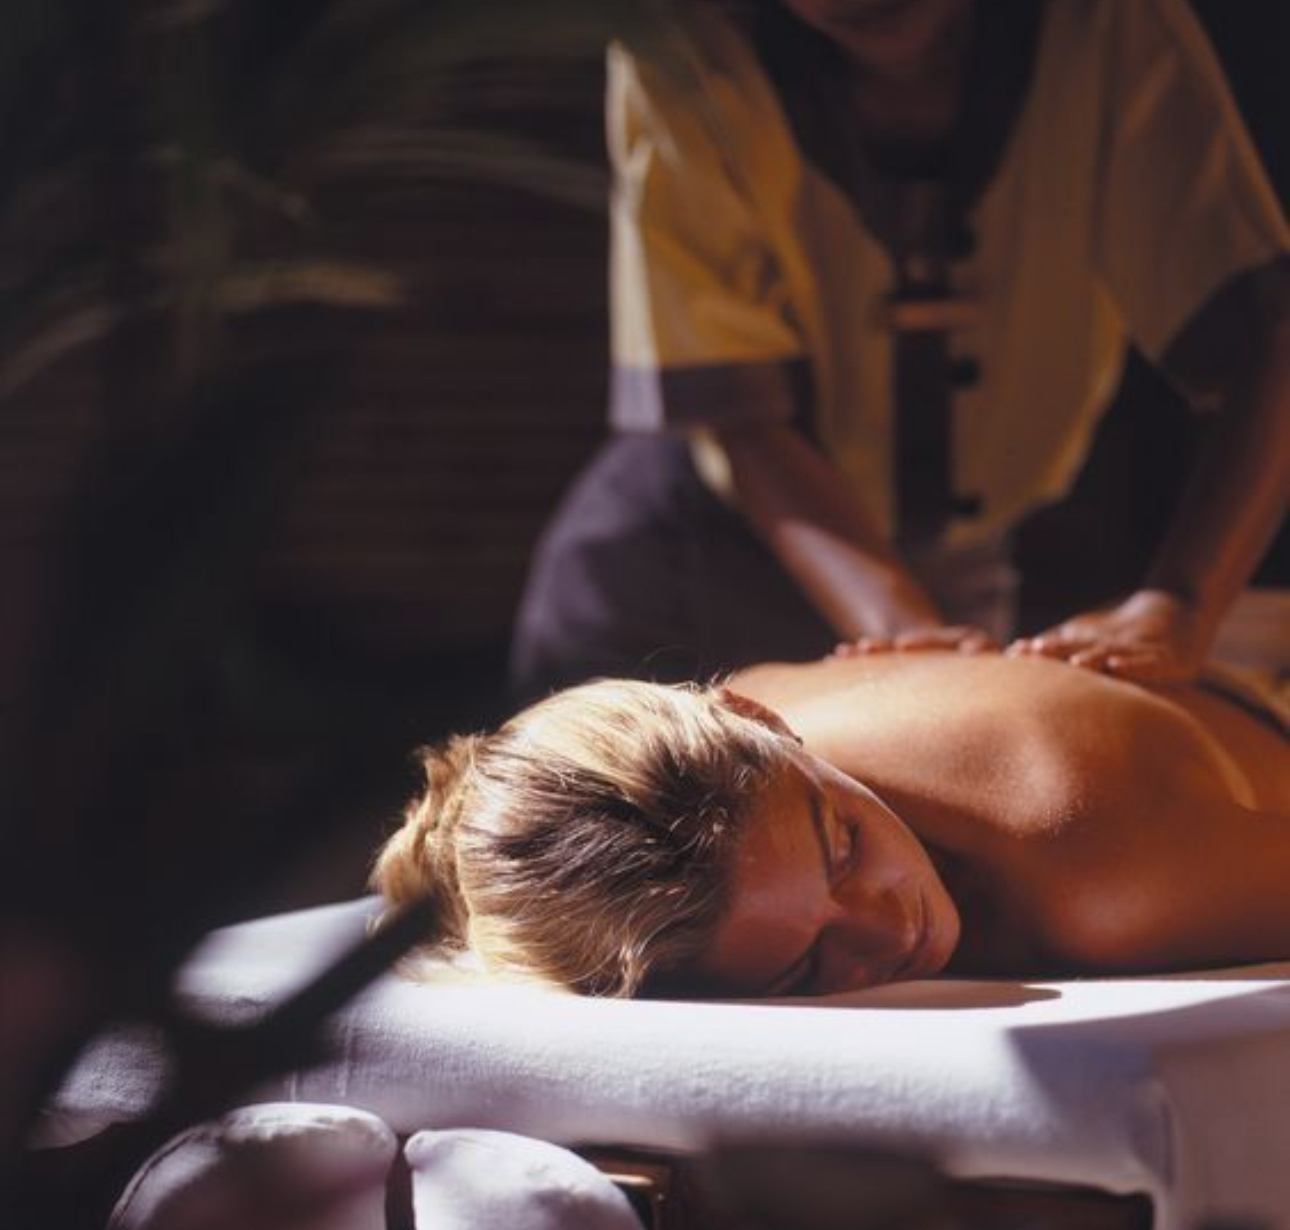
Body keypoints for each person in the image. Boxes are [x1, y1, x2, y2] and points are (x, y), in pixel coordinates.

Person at [509, 0, 1290, 699]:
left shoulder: (1107, 26)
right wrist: (913, 649)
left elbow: (1269, 338)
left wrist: (1181, 606)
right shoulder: (684, 44)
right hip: (688, 571)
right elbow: (747, 422)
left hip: (955, 573)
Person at [372, 648, 1289, 998]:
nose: (890, 930)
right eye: (806, 966)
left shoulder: (1102, 880)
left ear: (764, 722)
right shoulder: (749, 723)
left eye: (845, 844)